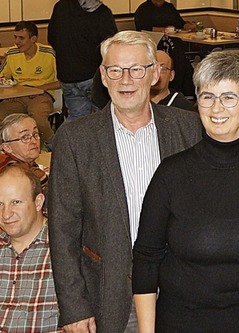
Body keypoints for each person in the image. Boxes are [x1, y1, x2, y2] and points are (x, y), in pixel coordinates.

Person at [132, 51, 239, 332]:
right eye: (207, 96)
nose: (216, 108)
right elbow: (146, 259)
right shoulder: (171, 173)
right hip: (183, 323)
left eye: (228, 97)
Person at [48, 30, 201, 332]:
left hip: (180, 291)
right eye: (115, 70)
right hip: (108, 293)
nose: (126, 80)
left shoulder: (189, 128)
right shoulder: (75, 139)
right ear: (103, 77)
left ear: (155, 73)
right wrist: (74, 307)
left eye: (136, 69)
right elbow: (62, 229)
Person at [0, 165, 61, 332]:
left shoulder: (64, 249)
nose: (6, 214)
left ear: (38, 202)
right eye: (0, 204)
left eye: (16, 202)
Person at [48, 0, 117, 123]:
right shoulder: (102, 12)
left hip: (67, 75)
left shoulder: (60, 7)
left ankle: (60, 142)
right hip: (93, 75)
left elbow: (51, 38)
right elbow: (112, 46)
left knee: (77, 119)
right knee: (102, 119)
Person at [0, 21, 60, 147]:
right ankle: (7, 149)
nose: (17, 42)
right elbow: (2, 77)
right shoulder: (12, 54)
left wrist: (41, 88)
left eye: (21, 38)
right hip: (17, 96)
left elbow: (64, 80)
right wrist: (12, 91)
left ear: (33, 39)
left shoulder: (49, 53)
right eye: (15, 37)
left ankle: (54, 146)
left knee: (38, 120)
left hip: (42, 95)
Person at [0, 114, 48, 193]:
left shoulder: (27, 164)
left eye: (35, 134)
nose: (34, 141)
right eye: (25, 137)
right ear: (7, 147)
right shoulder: (17, 174)